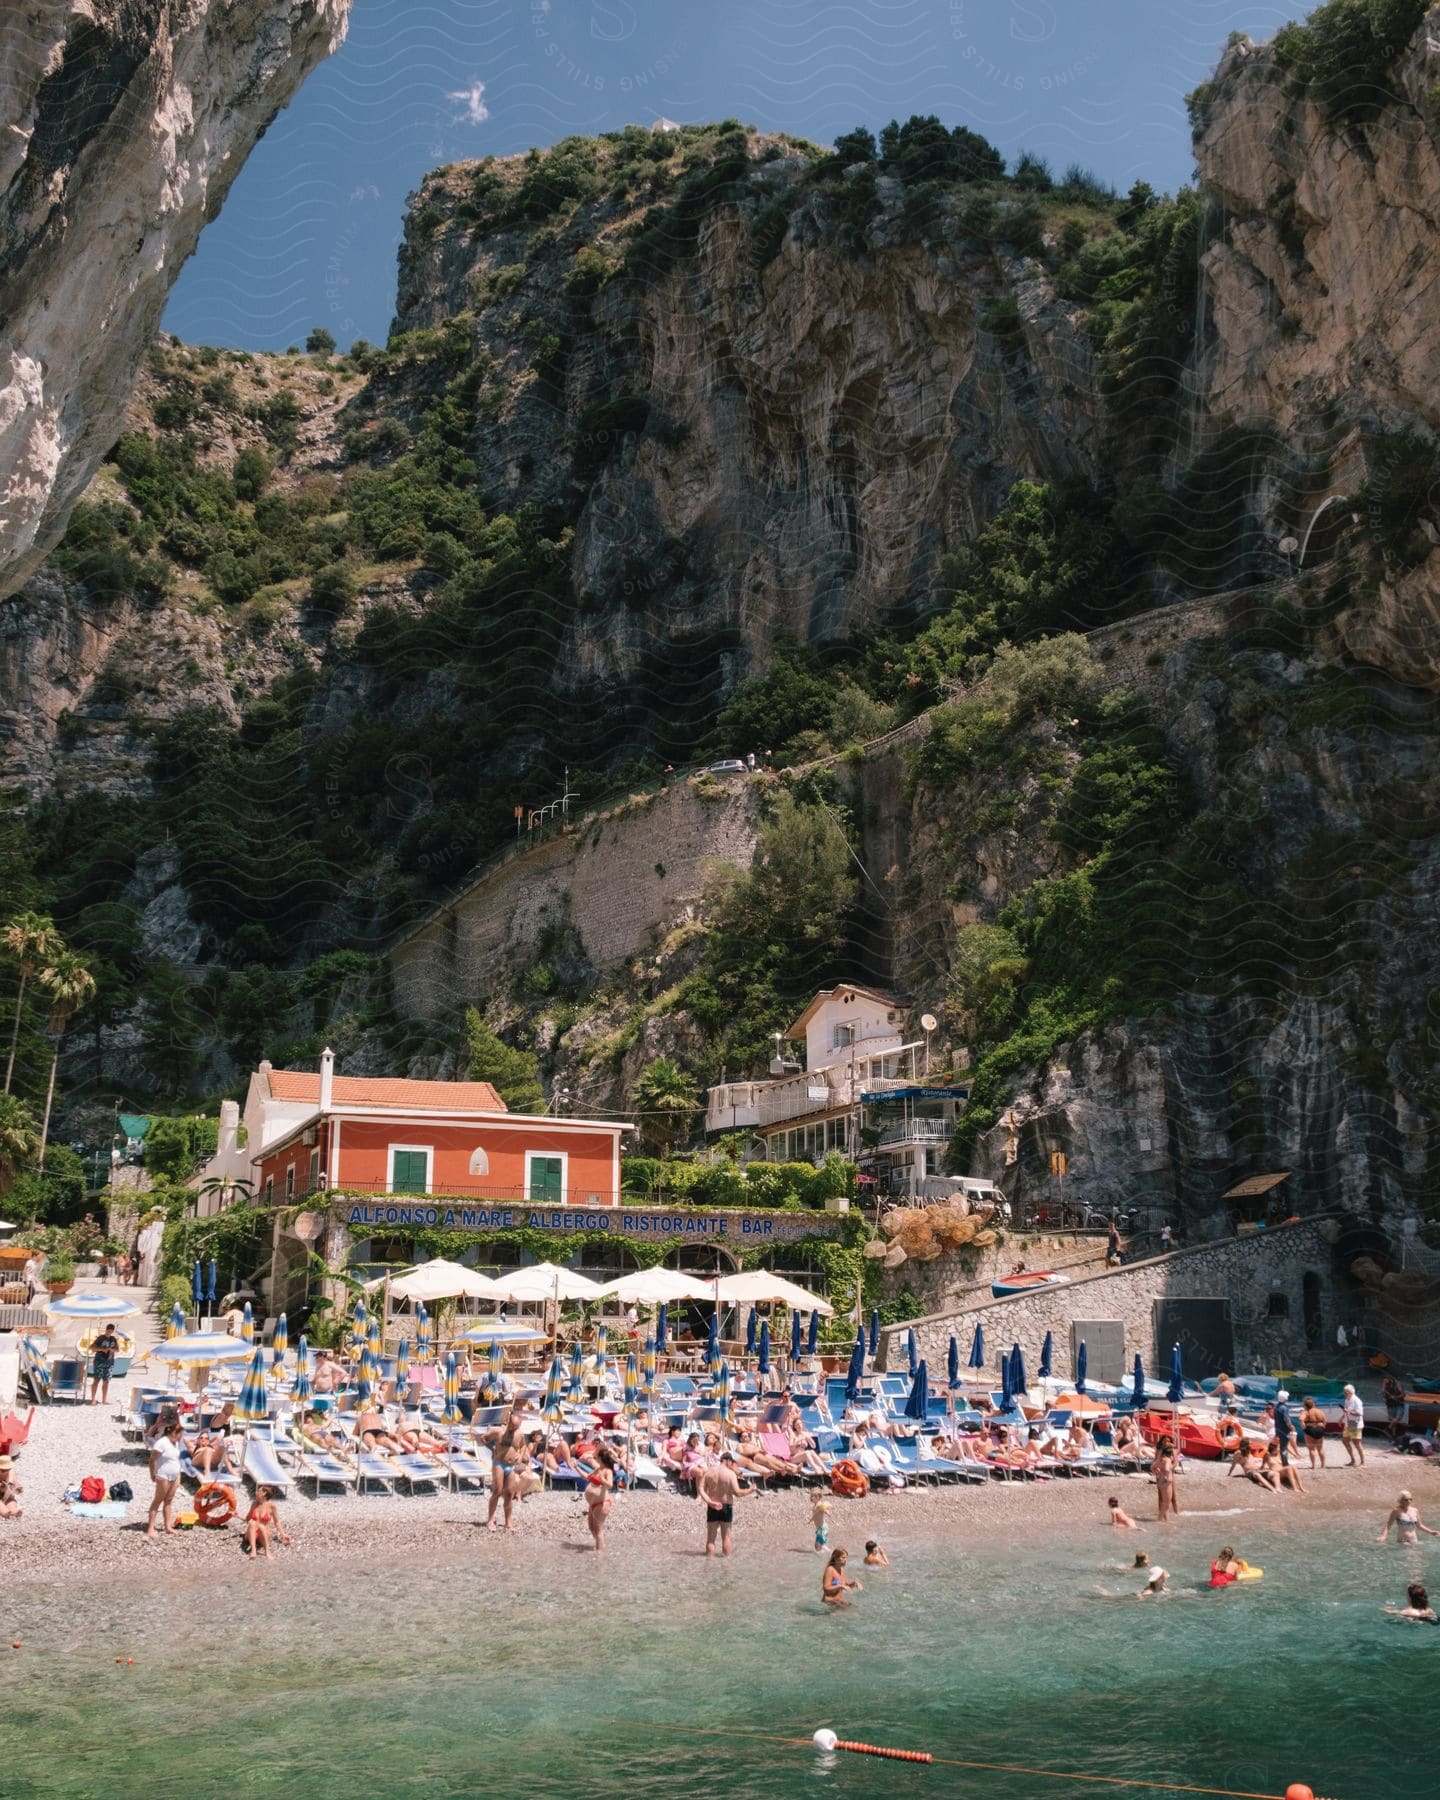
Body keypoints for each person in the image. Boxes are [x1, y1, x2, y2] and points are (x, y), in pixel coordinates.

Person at [699, 1451, 752, 1557]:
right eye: (732, 1463)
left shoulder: (709, 1472)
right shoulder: (730, 1474)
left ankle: (709, 1564)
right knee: (726, 1537)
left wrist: (709, 1501)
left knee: (710, 1538)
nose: (732, 1465)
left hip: (712, 1506)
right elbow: (738, 1493)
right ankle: (727, 1567)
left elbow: (701, 1489)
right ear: (728, 1461)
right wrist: (750, 1490)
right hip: (726, 1506)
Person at [486, 1410, 529, 1532]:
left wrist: (520, 1456)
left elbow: (523, 1446)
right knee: (497, 1491)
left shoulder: (520, 1434)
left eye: (518, 1426)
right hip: (498, 1463)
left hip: (511, 1466)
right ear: (509, 1421)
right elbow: (483, 1438)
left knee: (510, 1494)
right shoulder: (499, 1431)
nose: (515, 1428)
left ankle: (508, 1521)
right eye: (514, 1425)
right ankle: (490, 1520)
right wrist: (492, 1450)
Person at [146, 1419, 184, 1539]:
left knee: (169, 1501)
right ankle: (150, 1528)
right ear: (173, 1432)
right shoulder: (161, 1443)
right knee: (157, 1501)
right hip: (163, 1475)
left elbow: (175, 1459)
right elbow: (152, 1460)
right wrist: (152, 1474)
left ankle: (168, 1526)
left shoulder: (175, 1443)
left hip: (175, 1474)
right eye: (179, 1435)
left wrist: (179, 1476)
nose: (180, 1438)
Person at [243, 1485, 292, 1560]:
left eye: (258, 1491)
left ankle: (267, 1551)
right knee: (252, 1523)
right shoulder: (254, 1504)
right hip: (252, 1534)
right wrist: (237, 1516)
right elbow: (247, 1519)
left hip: (264, 1534)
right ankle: (253, 1550)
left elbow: (277, 1522)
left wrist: (283, 1535)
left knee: (261, 1526)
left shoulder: (272, 1506)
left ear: (264, 1493)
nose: (256, 1493)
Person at [584, 1445, 616, 1552]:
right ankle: (600, 1545)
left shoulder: (608, 1471)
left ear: (601, 1458)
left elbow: (610, 1485)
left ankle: (599, 1552)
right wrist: (576, 1467)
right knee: (591, 1527)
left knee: (598, 1529)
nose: (595, 1458)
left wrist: (602, 1479)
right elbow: (588, 1477)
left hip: (602, 1503)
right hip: (593, 1502)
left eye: (597, 1457)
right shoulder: (599, 1468)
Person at [88, 1321, 121, 1406]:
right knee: (96, 1380)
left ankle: (104, 1400)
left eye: (111, 1331)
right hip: (99, 1361)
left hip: (109, 1362)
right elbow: (91, 1347)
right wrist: (102, 1349)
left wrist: (111, 1349)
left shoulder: (113, 1339)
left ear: (112, 1331)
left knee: (106, 1381)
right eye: (108, 1331)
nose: (109, 1332)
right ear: (106, 1330)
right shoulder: (100, 1338)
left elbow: (117, 1350)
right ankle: (93, 1399)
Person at [1152, 1435, 1179, 1522]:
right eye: (1164, 1441)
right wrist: (1159, 1471)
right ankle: (1163, 1517)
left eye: (1168, 1441)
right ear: (1162, 1441)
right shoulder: (1160, 1451)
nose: (1166, 1442)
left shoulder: (1173, 1451)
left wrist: (1170, 1468)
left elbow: (1175, 1463)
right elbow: (1155, 1463)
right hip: (1164, 1477)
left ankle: (1177, 1514)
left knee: (1173, 1497)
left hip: (1168, 1475)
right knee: (1163, 1498)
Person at [1341, 1385, 1365, 1466]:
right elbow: (1346, 1410)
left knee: (1356, 1443)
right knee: (1345, 1441)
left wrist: (1349, 1412)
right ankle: (1353, 1460)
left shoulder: (1357, 1401)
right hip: (1348, 1423)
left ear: (1350, 1392)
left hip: (1355, 1423)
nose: (1344, 1393)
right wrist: (1342, 1418)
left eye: (1345, 1391)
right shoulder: (1347, 1399)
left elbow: (1359, 1413)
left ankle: (1362, 1462)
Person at [1300, 1397, 1327, 1469]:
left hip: (1310, 1429)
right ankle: (1323, 1465)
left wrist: (1304, 1427)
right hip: (1319, 1429)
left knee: (1311, 1449)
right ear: (1313, 1404)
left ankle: (1313, 1466)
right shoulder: (1320, 1411)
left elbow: (1301, 1419)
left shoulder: (1305, 1412)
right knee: (1320, 1448)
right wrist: (1323, 1427)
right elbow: (1324, 1421)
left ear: (1305, 1405)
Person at [1382, 1372, 1408, 1443]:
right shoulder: (1385, 1384)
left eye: (1385, 1380)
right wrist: (1383, 1387)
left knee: (1398, 1418)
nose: (1385, 1381)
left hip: (1399, 1403)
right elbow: (1383, 1394)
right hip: (1390, 1404)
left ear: (1389, 1378)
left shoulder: (1397, 1384)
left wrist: (1395, 1397)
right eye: (1384, 1380)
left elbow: (1403, 1394)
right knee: (1393, 1421)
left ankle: (1387, 1429)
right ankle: (1393, 1437)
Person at [1274, 1389, 1295, 1466]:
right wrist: (1292, 1427)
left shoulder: (1277, 1407)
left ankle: (1284, 1462)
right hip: (1284, 1431)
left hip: (1278, 1430)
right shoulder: (1284, 1408)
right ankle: (1285, 1463)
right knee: (1284, 1447)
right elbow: (1287, 1420)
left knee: (1282, 1447)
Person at [0, 1453, 22, 1519]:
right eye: (3, 1470)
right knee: (4, 1510)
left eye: (7, 1469)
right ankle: (5, 1512)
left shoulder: (11, 1473)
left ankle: (14, 1511)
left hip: (7, 1495)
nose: (6, 1471)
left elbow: (17, 1486)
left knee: (11, 1503)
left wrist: (18, 1488)